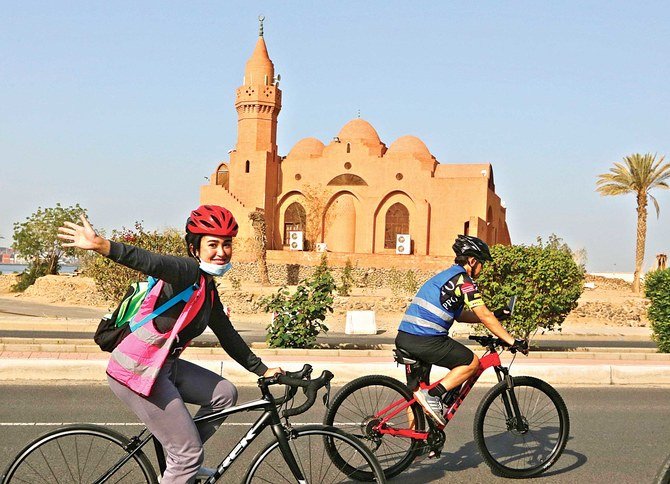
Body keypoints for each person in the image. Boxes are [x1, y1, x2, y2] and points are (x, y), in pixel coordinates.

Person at [58, 205, 282, 483]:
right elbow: (151, 261)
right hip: (136, 372)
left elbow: (227, 334)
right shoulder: (187, 272)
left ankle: (182, 460)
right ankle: (185, 460)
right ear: (194, 249)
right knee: (188, 454)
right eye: (213, 244)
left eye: (227, 244)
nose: (221, 251)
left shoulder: (206, 288)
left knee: (224, 394)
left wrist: (262, 369)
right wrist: (103, 245)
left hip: (162, 365)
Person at [395, 234, 525, 426]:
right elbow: (483, 316)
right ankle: (433, 395)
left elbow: (461, 315)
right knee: (471, 363)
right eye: (481, 263)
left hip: (407, 337)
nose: (482, 268)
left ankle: (418, 443)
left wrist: (496, 314)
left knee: (416, 394)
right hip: (426, 338)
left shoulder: (447, 277)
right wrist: (513, 341)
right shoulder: (464, 281)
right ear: (472, 261)